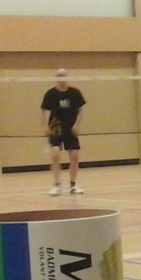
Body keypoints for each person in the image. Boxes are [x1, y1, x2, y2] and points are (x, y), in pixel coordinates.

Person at [41, 68, 86, 196]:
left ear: (67, 76)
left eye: (64, 75)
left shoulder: (75, 93)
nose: (62, 77)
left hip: (70, 128)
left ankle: (73, 185)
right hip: (55, 128)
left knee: (75, 156)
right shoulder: (50, 93)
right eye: (59, 75)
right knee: (55, 154)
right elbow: (43, 111)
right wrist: (45, 127)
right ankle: (57, 186)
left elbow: (80, 110)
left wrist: (77, 124)